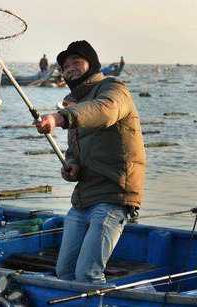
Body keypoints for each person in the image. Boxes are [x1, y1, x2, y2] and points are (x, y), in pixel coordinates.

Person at [35, 40, 146, 284]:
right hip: (84, 197)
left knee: (87, 274)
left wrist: (59, 117)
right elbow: (75, 148)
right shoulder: (74, 101)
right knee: (65, 273)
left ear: (91, 64)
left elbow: (104, 111)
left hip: (114, 195)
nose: (70, 68)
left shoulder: (114, 90)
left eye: (77, 62)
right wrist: (72, 165)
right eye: (65, 66)